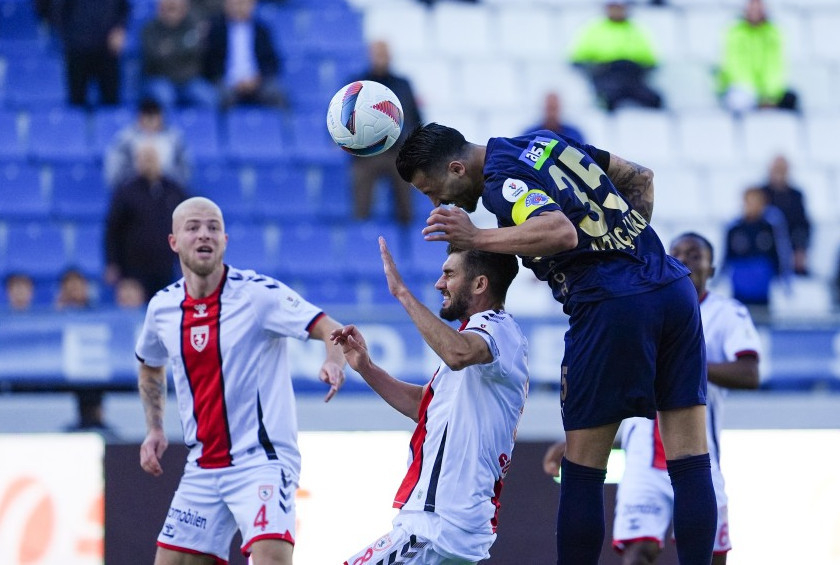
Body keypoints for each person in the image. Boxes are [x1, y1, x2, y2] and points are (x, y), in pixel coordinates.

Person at [395, 123, 716, 564]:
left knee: (582, 470)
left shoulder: (500, 183)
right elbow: (640, 176)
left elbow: (560, 232)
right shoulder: (543, 142)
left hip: (609, 304)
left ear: (456, 167)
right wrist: (626, 250)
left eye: (435, 191)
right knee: (690, 461)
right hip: (671, 287)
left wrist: (477, 237)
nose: (438, 203)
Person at [136, 196, 345, 564]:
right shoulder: (162, 308)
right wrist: (154, 428)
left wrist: (334, 361)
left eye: (213, 227)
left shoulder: (257, 295)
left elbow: (331, 329)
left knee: (270, 558)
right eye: (194, 227)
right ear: (174, 242)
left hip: (262, 461)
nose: (205, 235)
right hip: (203, 465)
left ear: (225, 240)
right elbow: (150, 364)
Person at [543, 232, 761, 565]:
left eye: (695, 254)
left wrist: (685, 359)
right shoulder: (639, 303)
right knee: (636, 553)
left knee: (711, 555)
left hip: (699, 453)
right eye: (677, 252)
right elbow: (627, 392)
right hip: (642, 457)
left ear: (712, 268)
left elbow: (750, 373)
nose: (685, 258)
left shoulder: (727, 313)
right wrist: (584, 441)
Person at [335, 238, 529, 563]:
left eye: (449, 274)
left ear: (480, 283)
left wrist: (401, 293)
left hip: (440, 526)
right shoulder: (477, 343)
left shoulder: (497, 330)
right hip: (444, 526)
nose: (440, 283)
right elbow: (422, 406)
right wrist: (366, 367)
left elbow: (457, 352)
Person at [347, 40, 424, 225]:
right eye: (377, 53)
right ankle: (362, 232)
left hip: (398, 152)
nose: (381, 58)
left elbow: (416, 118)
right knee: (361, 197)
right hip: (366, 153)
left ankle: (406, 231)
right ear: (369, 55)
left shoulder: (404, 85)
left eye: (384, 53)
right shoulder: (356, 84)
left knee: (406, 190)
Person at [105, 142, 190, 300]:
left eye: (151, 158)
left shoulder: (174, 190)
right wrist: (112, 263)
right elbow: (112, 231)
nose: (148, 162)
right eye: (143, 158)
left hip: (166, 269)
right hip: (133, 271)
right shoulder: (126, 192)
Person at [568, 1, 663, 112]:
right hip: (607, 76)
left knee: (655, 100)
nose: (617, 11)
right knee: (608, 99)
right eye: (614, 7)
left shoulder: (636, 30)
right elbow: (578, 59)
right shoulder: (594, 29)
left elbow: (650, 61)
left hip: (632, 77)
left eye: (620, 7)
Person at [716, 0, 798, 114]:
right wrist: (756, 95)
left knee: (791, 99)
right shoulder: (735, 32)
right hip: (744, 89)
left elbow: (776, 66)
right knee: (739, 101)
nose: (755, 11)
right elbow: (734, 66)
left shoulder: (773, 33)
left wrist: (769, 95)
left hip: (768, 92)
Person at [203, 0, 285, 108]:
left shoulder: (262, 31)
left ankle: (286, 124)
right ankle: (222, 125)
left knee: (279, 94)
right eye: (235, 4)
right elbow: (210, 62)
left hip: (258, 82)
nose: (239, 8)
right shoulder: (216, 30)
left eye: (243, 3)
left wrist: (257, 79)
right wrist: (233, 81)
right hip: (227, 82)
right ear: (226, 5)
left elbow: (272, 61)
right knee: (219, 97)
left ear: (252, 5)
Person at [723, 186, 792, 308]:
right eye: (749, 202)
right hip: (740, 287)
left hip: (763, 288)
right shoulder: (734, 228)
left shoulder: (770, 228)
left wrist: (783, 280)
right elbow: (727, 257)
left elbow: (779, 256)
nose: (752, 206)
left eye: (756, 202)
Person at [50, 0, 129, 107]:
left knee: (111, 102)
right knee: (76, 103)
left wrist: (120, 28)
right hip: (77, 51)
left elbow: (124, 8)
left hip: (108, 51)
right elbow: (57, 10)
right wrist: (70, 37)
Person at [141, 0, 218, 109]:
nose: (170, 13)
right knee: (165, 98)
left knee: (211, 99)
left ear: (184, 10)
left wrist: (170, 48)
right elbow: (154, 56)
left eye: (174, 8)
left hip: (189, 80)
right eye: (167, 8)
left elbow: (197, 50)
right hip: (161, 79)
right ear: (159, 9)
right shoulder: (150, 29)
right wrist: (183, 46)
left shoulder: (191, 26)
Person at [104, 98, 191, 189]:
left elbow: (185, 171)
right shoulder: (125, 140)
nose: (150, 120)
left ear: (161, 117)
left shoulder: (175, 139)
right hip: (133, 189)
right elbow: (114, 173)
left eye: (154, 115)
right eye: (147, 115)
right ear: (139, 117)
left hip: (168, 190)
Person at [759, 155, 811, 275]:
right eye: (777, 169)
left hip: (790, 247)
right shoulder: (761, 193)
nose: (779, 174)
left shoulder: (796, 195)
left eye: (782, 170)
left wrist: (800, 249)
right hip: (765, 247)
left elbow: (802, 225)